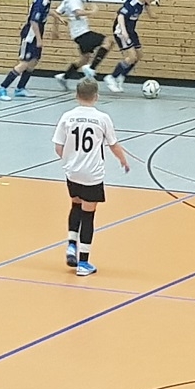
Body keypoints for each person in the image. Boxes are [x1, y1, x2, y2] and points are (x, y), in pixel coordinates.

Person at [52, 78, 130, 276]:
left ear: (76, 95)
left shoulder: (67, 117)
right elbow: (113, 144)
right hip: (92, 175)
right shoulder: (102, 118)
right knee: (88, 215)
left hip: (72, 172)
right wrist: (123, 160)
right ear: (96, 96)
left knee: (75, 204)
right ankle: (83, 263)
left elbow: (58, 147)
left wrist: (70, 161)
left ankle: (71, 244)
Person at [0, 0, 63, 100]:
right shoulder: (41, 2)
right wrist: (39, 40)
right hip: (30, 37)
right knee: (24, 64)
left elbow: (46, 11)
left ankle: (20, 88)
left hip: (36, 36)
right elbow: (33, 22)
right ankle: (2, 88)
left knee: (33, 62)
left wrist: (56, 16)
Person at [53, 0, 114, 89]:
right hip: (82, 33)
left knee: (84, 59)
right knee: (108, 41)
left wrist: (55, 29)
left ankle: (64, 77)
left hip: (77, 35)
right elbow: (78, 12)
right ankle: (92, 68)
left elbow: (56, 13)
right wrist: (92, 11)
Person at [103, 0, 161, 93]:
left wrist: (158, 14)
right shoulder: (132, 4)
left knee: (139, 55)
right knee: (132, 57)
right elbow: (120, 16)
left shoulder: (144, 3)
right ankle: (111, 77)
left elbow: (151, 14)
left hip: (131, 31)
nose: (153, 0)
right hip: (121, 31)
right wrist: (124, 33)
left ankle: (121, 75)